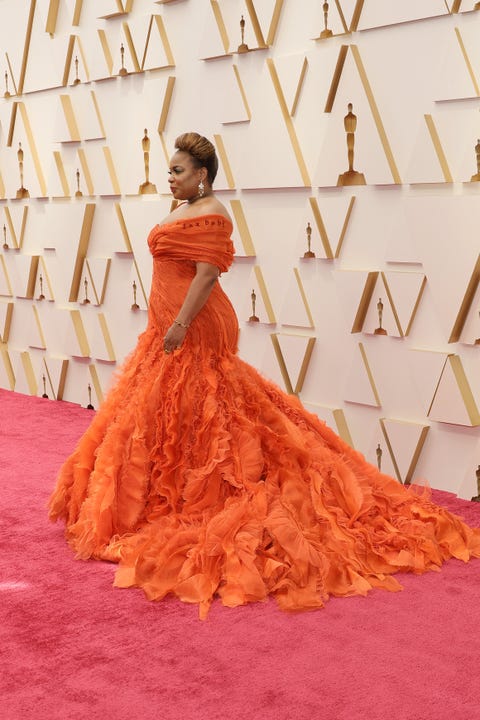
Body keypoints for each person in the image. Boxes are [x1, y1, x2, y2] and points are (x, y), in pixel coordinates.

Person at [49, 132, 480, 620]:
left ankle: (208, 489)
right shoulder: (186, 207)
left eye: (178, 171)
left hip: (195, 322)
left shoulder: (214, 213)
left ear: (202, 174)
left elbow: (208, 276)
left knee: (205, 402)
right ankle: (165, 494)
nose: (169, 178)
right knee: (171, 407)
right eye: (169, 171)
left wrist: (180, 323)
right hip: (168, 322)